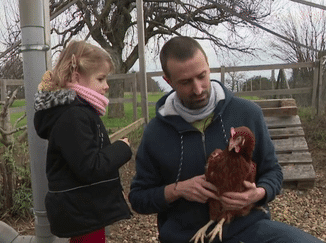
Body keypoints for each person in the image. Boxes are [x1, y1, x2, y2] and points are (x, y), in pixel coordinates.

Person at [128, 36, 324, 243]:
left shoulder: (247, 113)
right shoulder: (156, 133)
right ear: (168, 81)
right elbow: (139, 199)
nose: (198, 89)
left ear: (208, 67)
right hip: (188, 236)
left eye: (201, 76)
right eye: (185, 82)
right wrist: (176, 190)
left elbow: (273, 171)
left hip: (249, 228)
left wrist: (259, 193)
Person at [33, 40, 132, 242]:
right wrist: (122, 148)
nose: (106, 86)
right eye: (101, 78)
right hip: (83, 210)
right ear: (77, 77)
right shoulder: (73, 116)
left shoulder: (77, 112)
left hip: (84, 209)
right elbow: (90, 167)